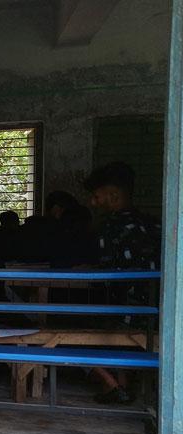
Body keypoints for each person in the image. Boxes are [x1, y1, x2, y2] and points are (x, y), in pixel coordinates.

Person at [85, 162, 161, 404]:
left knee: (70, 329)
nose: (93, 203)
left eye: (96, 197)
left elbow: (107, 276)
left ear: (113, 195)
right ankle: (122, 385)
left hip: (126, 312)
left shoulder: (111, 226)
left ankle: (113, 384)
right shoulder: (154, 224)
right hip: (157, 312)